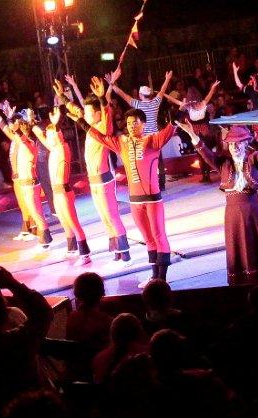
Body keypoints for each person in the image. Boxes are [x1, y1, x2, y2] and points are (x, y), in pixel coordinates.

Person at [65, 99, 178, 282]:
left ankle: (162, 280)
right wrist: (81, 121)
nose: (131, 126)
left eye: (135, 123)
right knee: (148, 239)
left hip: (153, 200)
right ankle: (154, 277)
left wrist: (181, 112)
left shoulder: (153, 140)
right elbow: (99, 136)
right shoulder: (121, 142)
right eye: (128, 123)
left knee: (159, 236)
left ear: (143, 124)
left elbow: (172, 127)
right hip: (135, 201)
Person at [178, 115, 258, 286]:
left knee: (257, 245)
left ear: (245, 143)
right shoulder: (223, 163)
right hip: (233, 214)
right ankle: (241, 282)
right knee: (238, 246)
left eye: (238, 143)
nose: (234, 147)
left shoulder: (253, 159)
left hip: (253, 212)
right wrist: (193, 135)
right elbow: (206, 154)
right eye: (231, 144)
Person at [64, 74, 130, 261]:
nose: (84, 115)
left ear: (98, 113)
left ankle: (126, 255)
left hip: (104, 180)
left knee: (112, 216)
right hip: (93, 181)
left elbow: (107, 114)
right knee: (104, 217)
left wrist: (102, 99)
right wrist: (63, 97)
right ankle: (117, 253)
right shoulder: (91, 127)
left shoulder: (103, 127)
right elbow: (76, 109)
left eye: (88, 113)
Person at [34, 93, 90, 264]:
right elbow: (40, 134)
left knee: (73, 222)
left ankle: (85, 254)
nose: (48, 137)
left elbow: (53, 133)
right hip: (57, 193)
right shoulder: (53, 147)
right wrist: (34, 123)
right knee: (65, 222)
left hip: (64, 192)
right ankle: (72, 248)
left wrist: (56, 122)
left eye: (51, 134)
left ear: (58, 135)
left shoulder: (62, 147)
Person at [0, 102, 51, 248]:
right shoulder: (21, 140)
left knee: (36, 212)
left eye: (20, 126)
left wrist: (10, 118)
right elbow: (7, 129)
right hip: (25, 182)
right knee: (33, 210)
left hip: (30, 183)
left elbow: (14, 131)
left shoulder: (29, 142)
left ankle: (43, 238)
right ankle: (43, 238)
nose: (17, 129)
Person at [108, 67, 174, 191]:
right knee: (158, 160)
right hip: (156, 136)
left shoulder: (137, 104)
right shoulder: (156, 102)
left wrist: (112, 83)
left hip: (144, 138)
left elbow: (122, 94)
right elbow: (162, 90)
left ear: (140, 95)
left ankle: (149, 183)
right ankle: (162, 184)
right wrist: (167, 79)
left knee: (145, 162)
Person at [163, 78, 222, 183]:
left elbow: (174, 101)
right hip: (204, 130)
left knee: (201, 153)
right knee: (205, 153)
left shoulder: (189, 106)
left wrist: (163, 94)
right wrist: (213, 87)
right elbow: (210, 94)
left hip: (196, 132)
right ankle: (208, 175)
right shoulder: (202, 103)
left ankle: (206, 176)